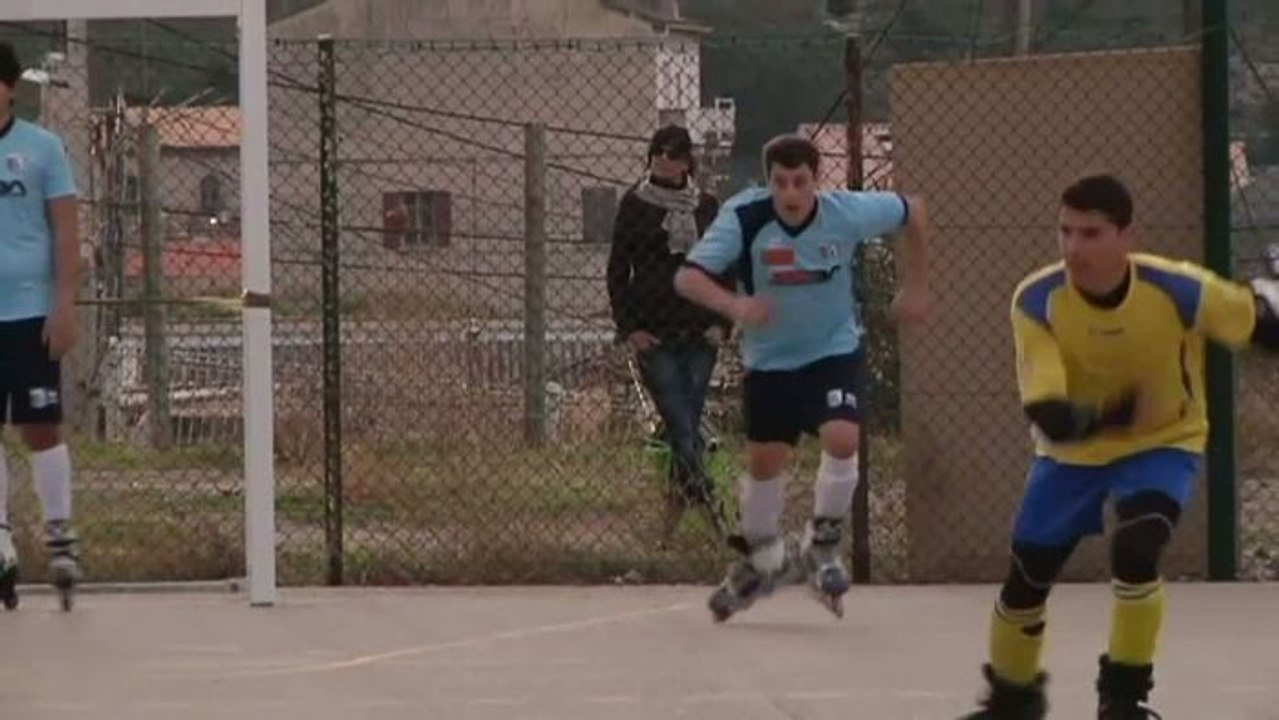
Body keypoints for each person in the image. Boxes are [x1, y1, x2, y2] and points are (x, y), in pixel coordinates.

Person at [957, 174, 1279, 719]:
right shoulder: (1036, 301)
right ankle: (1013, 699)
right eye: (1065, 232)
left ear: (1125, 237)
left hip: (1164, 443)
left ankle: (1124, 701)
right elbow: (1051, 416)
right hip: (1070, 456)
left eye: (1090, 233)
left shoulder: (1177, 289)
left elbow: (1257, 324)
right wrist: (1117, 411)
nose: (1073, 247)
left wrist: (1269, 308)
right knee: (1025, 582)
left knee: (1136, 550)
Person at [674, 133, 929, 621]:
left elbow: (914, 210)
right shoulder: (746, 217)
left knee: (842, 435)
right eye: (780, 182)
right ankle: (760, 560)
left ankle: (823, 543)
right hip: (769, 360)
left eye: (800, 182)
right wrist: (735, 305)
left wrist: (914, 287)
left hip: (832, 349)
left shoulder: (845, 213)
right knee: (765, 461)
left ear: (817, 181)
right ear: (767, 182)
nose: (790, 194)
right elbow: (688, 277)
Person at [607, 124, 731, 540]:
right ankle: (711, 503)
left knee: (686, 425)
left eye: (673, 156)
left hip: (699, 330)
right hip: (653, 331)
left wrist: (721, 323)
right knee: (680, 422)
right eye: (658, 154)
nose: (664, 163)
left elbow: (725, 265)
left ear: (685, 162)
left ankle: (675, 519)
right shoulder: (635, 205)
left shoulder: (707, 207)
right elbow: (617, 271)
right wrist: (630, 328)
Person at [0, 42, 83, 611]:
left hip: (30, 312)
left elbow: (67, 230)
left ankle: (59, 536)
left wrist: (66, 303)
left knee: (39, 425)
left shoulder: (42, 148)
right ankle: (0, 537)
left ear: (7, 88)